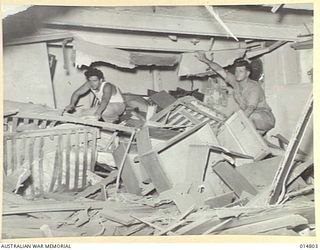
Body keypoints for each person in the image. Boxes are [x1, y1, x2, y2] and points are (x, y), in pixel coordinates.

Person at [196, 51, 275, 135]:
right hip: (252, 118)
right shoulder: (235, 81)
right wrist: (205, 60)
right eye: (236, 71)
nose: (237, 74)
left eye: (241, 71)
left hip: (265, 118)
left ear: (247, 73)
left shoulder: (254, 87)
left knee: (248, 118)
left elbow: (250, 109)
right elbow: (219, 70)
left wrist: (232, 124)